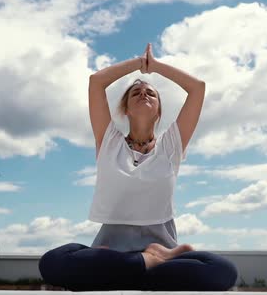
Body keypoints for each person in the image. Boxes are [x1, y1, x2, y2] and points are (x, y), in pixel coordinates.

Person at [38, 43, 238, 291]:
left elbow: (197, 88)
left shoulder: (171, 146)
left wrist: (154, 67)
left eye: (151, 93)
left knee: (222, 271)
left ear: (158, 112)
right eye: (136, 92)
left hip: (127, 261)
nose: (143, 94)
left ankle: (137, 266)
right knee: (52, 263)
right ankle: (146, 263)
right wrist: (137, 64)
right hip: (110, 254)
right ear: (126, 109)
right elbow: (96, 81)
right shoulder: (109, 142)